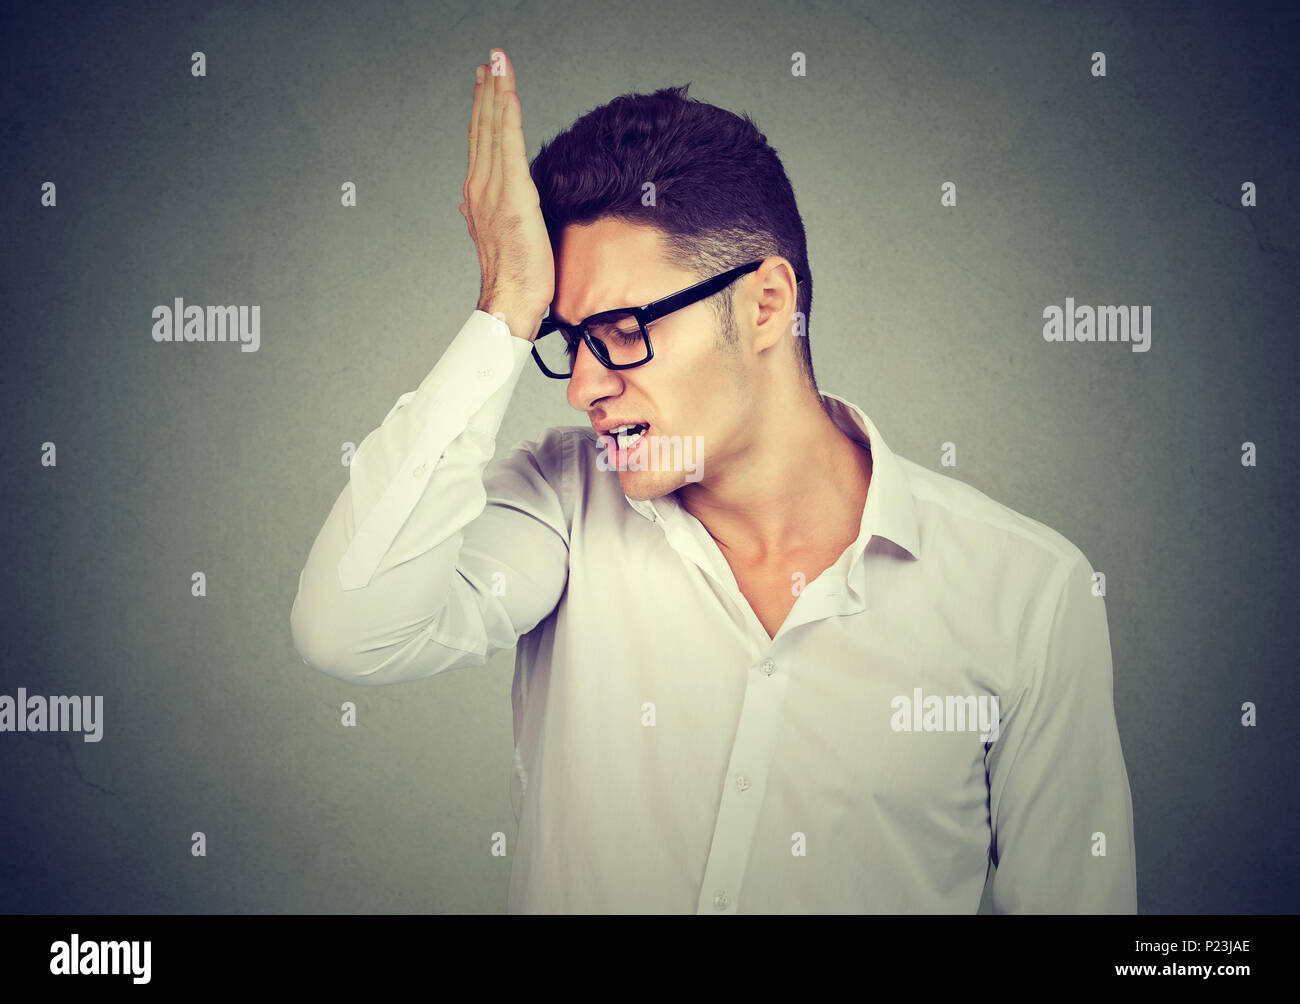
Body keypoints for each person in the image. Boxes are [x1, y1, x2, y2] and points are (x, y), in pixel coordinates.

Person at [290, 47, 1137, 914]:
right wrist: (506, 308)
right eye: (567, 339)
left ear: (767, 304)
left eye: (621, 329)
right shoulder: (560, 505)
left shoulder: (1029, 592)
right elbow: (349, 628)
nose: (583, 386)